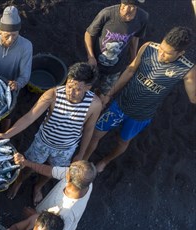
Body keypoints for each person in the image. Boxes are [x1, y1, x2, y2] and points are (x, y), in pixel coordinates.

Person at [82, 26, 196, 172]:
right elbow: (130, 70)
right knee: (96, 134)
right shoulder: (148, 47)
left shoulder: (187, 69)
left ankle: (105, 161)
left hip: (140, 115)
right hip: (121, 104)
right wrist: (110, 94)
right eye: (161, 48)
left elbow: (193, 98)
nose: (161, 54)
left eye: (167, 53)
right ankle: (84, 160)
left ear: (181, 53)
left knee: (122, 142)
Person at [0, 63, 102, 205]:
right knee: (27, 165)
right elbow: (29, 117)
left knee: (54, 171)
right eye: (69, 86)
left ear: (88, 88)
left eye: (78, 89)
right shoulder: (52, 94)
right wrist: (7, 135)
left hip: (66, 149)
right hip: (43, 142)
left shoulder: (95, 105)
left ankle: (38, 186)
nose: (71, 92)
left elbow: (89, 130)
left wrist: (80, 154)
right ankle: (19, 182)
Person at [13, 154, 97, 230]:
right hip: (46, 215)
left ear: (68, 177)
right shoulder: (85, 182)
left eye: (68, 170)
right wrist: (26, 162)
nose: (66, 169)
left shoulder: (67, 213)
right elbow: (50, 171)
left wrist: (34, 216)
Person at [84, 0, 149, 95]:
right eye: (124, 5)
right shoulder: (107, 13)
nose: (125, 9)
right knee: (85, 88)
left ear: (136, 6)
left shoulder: (142, 18)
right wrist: (91, 56)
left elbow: (135, 38)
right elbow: (89, 33)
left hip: (115, 68)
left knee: (104, 94)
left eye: (131, 6)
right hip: (95, 63)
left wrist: (133, 59)